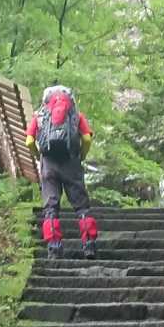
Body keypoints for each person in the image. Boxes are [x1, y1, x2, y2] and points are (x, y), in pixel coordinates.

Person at [25, 84, 97, 259]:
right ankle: (89, 244)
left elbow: (29, 141)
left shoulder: (39, 116)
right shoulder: (76, 116)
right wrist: (81, 155)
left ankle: (54, 247)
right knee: (81, 206)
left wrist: (38, 155)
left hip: (49, 165)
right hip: (71, 163)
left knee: (50, 208)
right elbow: (87, 139)